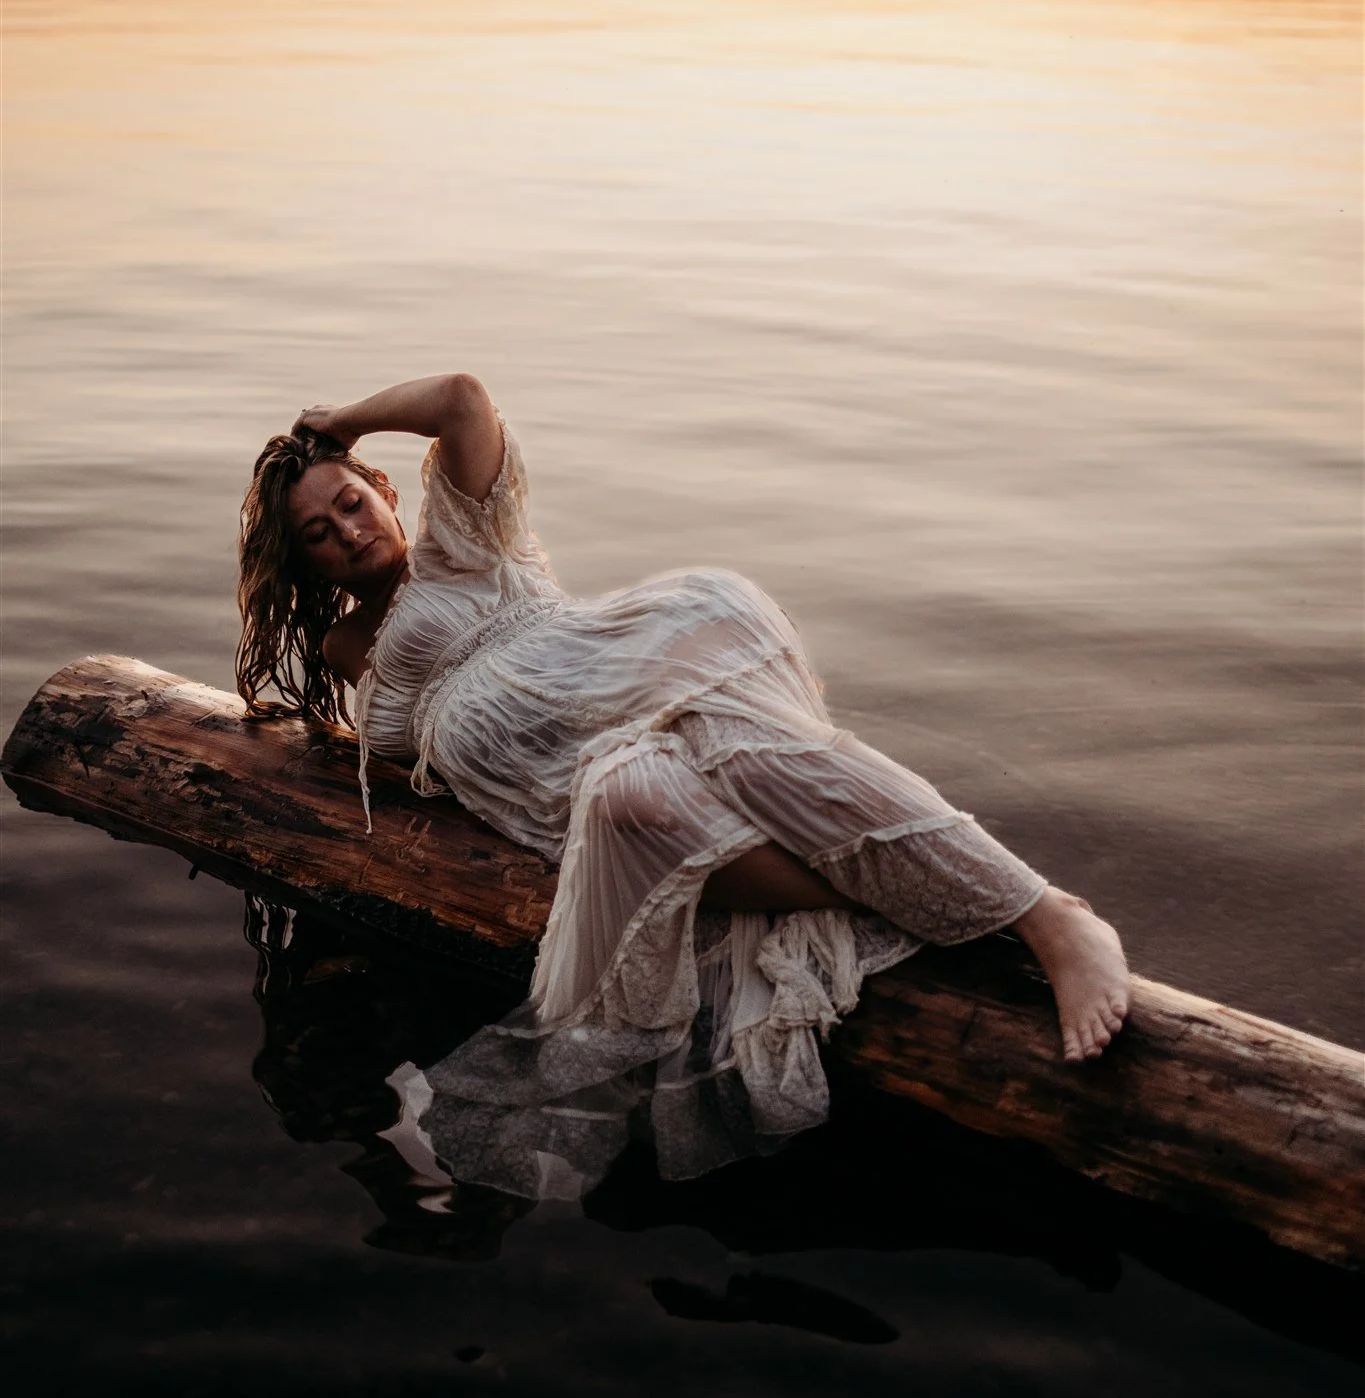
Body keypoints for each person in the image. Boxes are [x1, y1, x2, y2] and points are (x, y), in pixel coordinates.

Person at [237, 372, 1129, 1200]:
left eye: (350, 503)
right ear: (309, 561)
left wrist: (340, 423)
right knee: (637, 807)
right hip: (566, 788)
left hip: (636, 672)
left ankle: (1044, 915)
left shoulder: (459, 545)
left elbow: (464, 400)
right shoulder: (344, 648)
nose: (348, 533)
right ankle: (914, 890)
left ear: (382, 490)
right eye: (320, 533)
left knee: (742, 755)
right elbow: (412, 758)